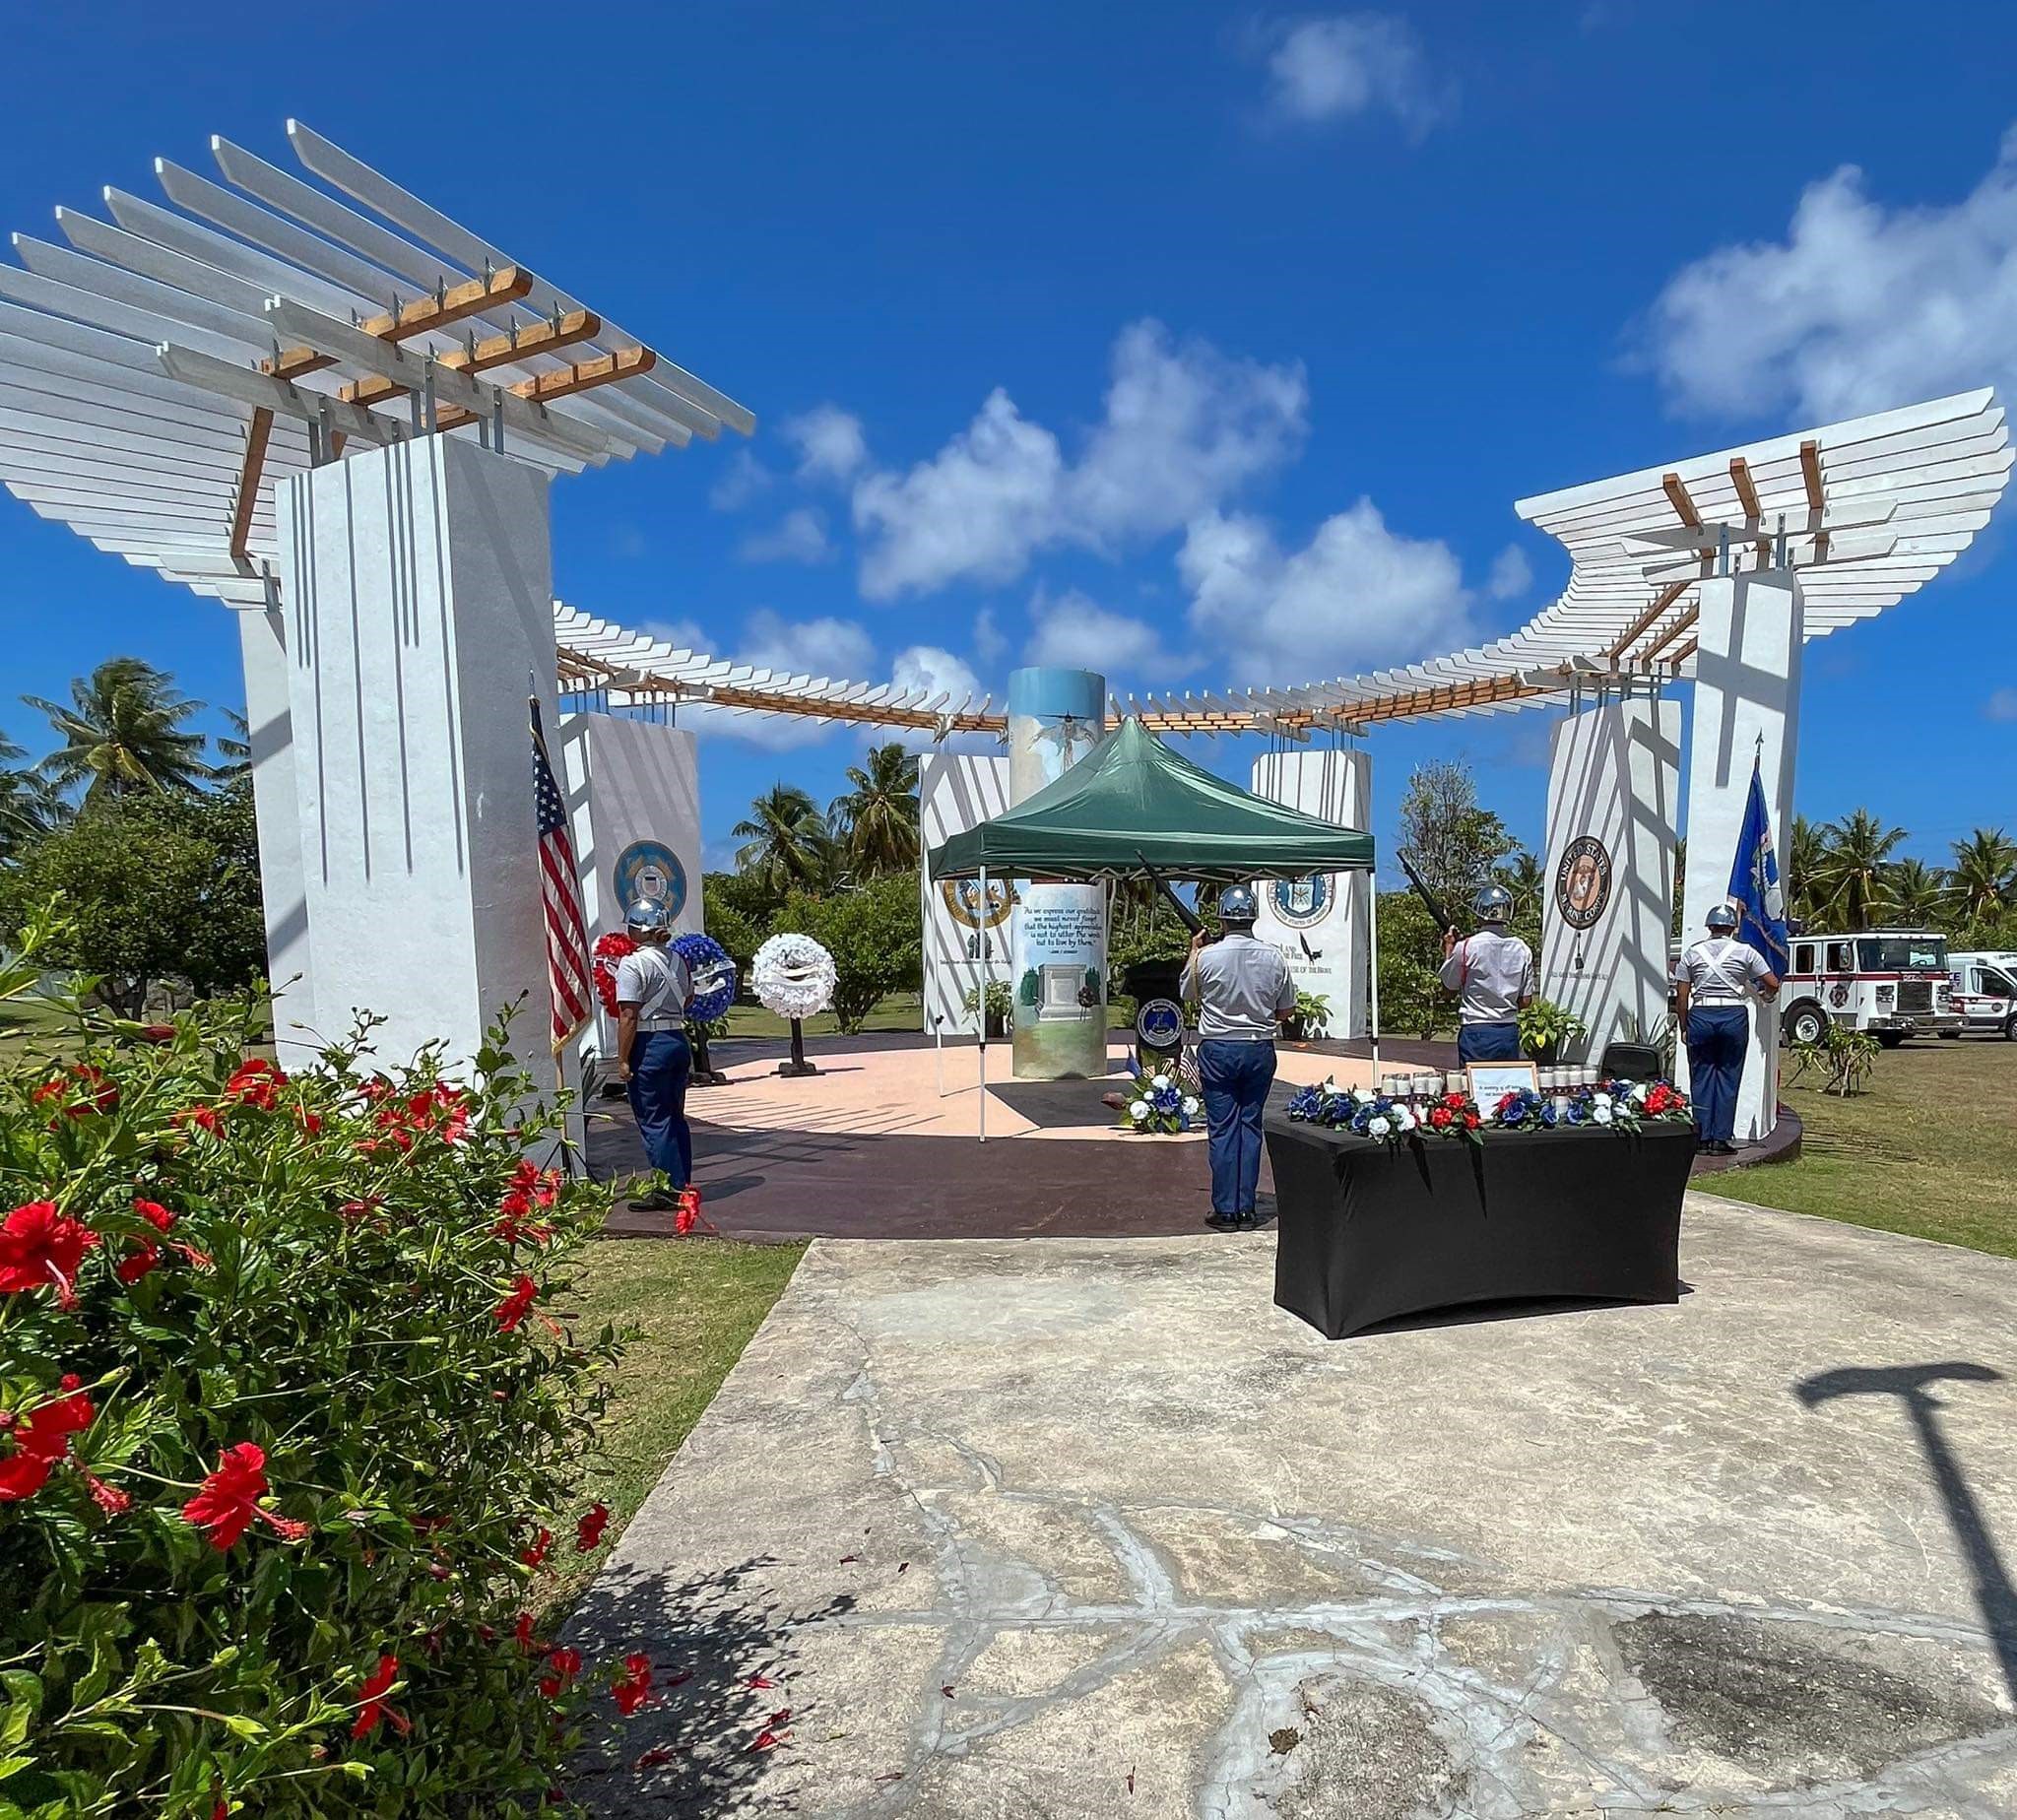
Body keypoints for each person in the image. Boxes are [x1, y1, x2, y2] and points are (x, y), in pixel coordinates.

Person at [1185, 884, 1297, 1232]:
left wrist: (1194, 952)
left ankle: (1226, 1208)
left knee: (1222, 1129)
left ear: (1222, 919)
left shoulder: (1207, 957)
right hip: (1258, 1047)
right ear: (1253, 918)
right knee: (1250, 1125)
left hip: (1219, 1048)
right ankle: (1245, 1207)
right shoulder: (1274, 957)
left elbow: (1187, 993)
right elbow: (1286, 1009)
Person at [1673, 899, 1780, 1155]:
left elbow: (1682, 996)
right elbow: (1772, 982)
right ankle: (1720, 1138)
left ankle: (1701, 1137)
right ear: (1733, 927)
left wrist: (1685, 1026)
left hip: (1701, 1014)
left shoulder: (1692, 954)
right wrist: (1765, 995)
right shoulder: (1745, 952)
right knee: (1729, 1076)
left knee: (1701, 1077)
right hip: (1733, 1014)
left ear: (1709, 927)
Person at [613, 899, 695, 1212]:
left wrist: (623, 1058)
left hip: (650, 1044)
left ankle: (667, 1190)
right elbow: (688, 999)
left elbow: (628, 1015)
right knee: (674, 1116)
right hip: (676, 1039)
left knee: (654, 1120)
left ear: (640, 929)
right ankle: (681, 1183)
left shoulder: (633, 964)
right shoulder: (678, 960)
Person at [1439, 884, 1536, 1064]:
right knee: (1506, 1080)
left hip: (1476, 1031)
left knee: (1475, 1079)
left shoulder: (1466, 947)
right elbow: (1525, 1001)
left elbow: (1448, 991)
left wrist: (1449, 949)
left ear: (1479, 913)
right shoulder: (1522, 948)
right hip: (1508, 1031)